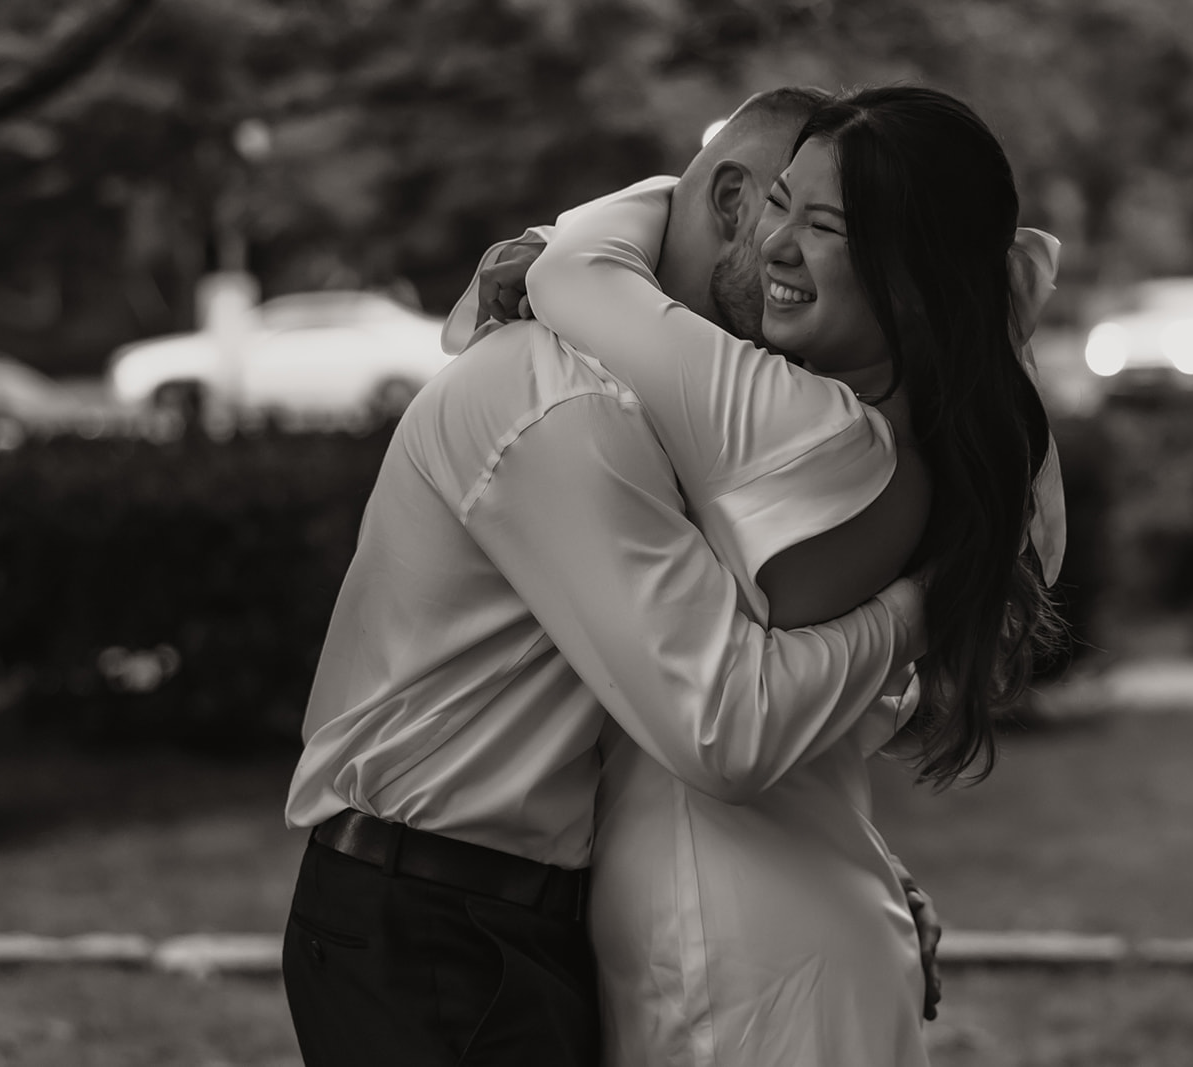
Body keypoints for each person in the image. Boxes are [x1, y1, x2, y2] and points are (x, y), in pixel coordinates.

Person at [280, 87, 931, 1067]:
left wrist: (853, 862)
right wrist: (929, 601)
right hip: (429, 926)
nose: (810, 261)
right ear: (727, 207)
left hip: (512, 913)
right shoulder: (563, 401)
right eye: (789, 214)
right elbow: (723, 727)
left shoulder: (645, 397)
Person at [470, 84, 1067, 1066]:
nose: (771, 243)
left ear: (913, 273)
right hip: (797, 907)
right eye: (773, 203)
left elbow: (579, 271)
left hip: (735, 949)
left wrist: (607, 218)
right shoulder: (916, 432)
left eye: (822, 224)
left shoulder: (787, 420)